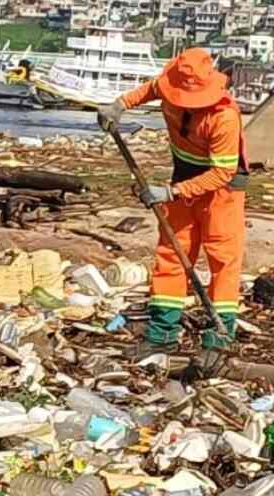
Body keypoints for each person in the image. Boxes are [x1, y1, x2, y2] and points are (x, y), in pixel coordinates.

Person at [97, 48, 247, 358]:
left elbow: (222, 172)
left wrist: (171, 193)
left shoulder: (224, 117)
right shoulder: (167, 87)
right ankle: (162, 332)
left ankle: (219, 335)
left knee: (222, 258)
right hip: (182, 178)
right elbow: (148, 90)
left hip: (221, 189)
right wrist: (118, 105)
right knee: (171, 253)